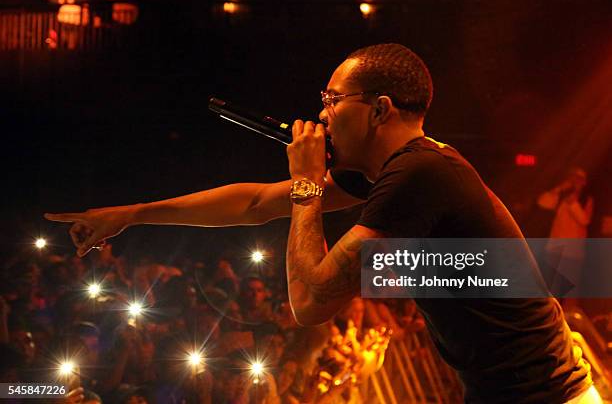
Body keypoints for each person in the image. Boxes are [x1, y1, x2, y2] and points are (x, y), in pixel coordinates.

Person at [46, 43, 599, 403]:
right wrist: (133, 215)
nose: (322, 114)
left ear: (379, 109)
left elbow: (309, 303)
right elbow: (256, 203)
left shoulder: (419, 174)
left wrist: (309, 182)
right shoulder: (402, 168)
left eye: (333, 100)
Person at [538, 168, 594, 309]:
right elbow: (542, 202)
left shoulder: (587, 200)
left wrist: (573, 204)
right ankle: (549, 313)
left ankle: (566, 318)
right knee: (549, 286)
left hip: (572, 253)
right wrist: (558, 189)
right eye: (573, 178)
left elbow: (585, 220)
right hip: (554, 248)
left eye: (579, 179)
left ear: (584, 183)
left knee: (567, 290)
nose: (575, 182)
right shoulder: (561, 196)